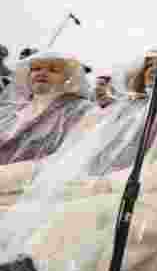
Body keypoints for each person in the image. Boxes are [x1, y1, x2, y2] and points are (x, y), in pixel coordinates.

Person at [0, 49, 157, 271]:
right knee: (42, 202)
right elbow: (83, 155)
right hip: (104, 187)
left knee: (83, 213)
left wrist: (109, 184)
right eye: (149, 65)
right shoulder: (126, 109)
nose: (154, 69)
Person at [0, 52, 95, 206]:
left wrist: (9, 175)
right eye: (36, 68)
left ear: (68, 77)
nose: (42, 73)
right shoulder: (10, 111)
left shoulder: (81, 110)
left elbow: (71, 160)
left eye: (53, 70)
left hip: (33, 200)